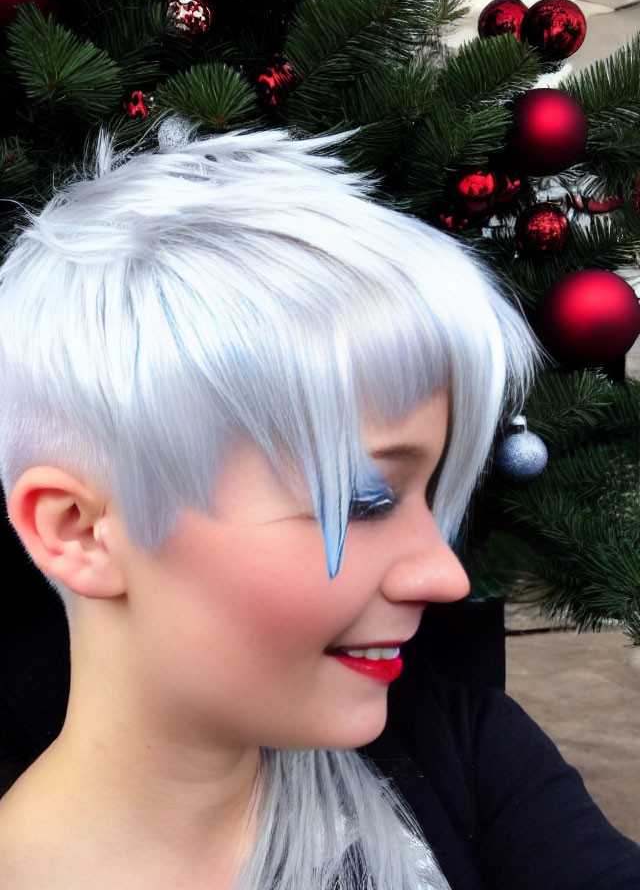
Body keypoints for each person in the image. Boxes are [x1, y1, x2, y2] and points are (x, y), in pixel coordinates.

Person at [0, 123, 637, 890]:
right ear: (79, 531)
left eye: (430, 493)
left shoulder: (469, 765)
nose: (445, 576)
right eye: (364, 499)